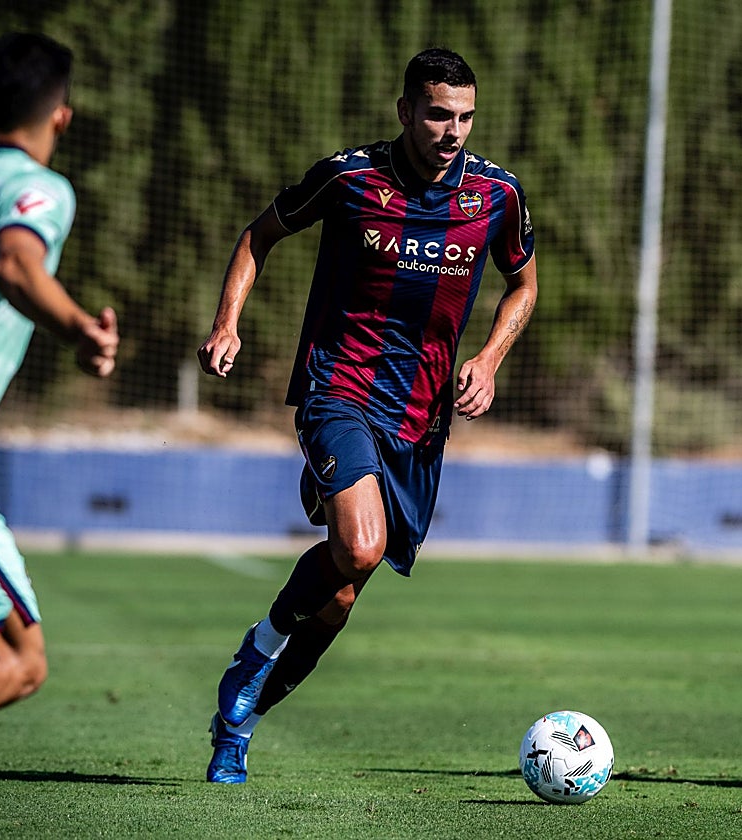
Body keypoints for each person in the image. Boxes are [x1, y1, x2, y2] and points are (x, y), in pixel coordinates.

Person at [197, 47, 537, 784]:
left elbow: (523, 285)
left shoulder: (497, 194)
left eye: (465, 117)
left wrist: (489, 359)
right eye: (439, 114)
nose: (453, 131)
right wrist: (227, 323)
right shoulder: (350, 178)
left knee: (341, 597)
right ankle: (255, 654)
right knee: (358, 547)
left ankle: (238, 725)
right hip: (339, 389)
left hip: (421, 420)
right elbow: (259, 235)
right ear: (406, 111)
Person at [0, 32, 119, 711]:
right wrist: (80, 328)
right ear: (60, 116)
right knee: (19, 662)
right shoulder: (36, 186)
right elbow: (16, 262)